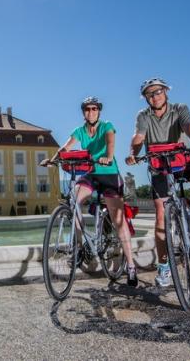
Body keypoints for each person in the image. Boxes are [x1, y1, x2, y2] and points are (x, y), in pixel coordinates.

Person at [125, 78, 190, 288]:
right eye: (149, 94)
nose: (154, 96)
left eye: (158, 91)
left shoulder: (179, 109)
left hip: (182, 159)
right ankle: (164, 266)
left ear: (166, 92)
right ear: (146, 98)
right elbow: (138, 137)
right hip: (159, 165)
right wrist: (133, 154)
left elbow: (189, 127)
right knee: (161, 215)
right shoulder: (143, 115)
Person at [41, 96, 138, 287]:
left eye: (94, 109)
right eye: (87, 109)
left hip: (109, 174)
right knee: (73, 201)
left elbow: (110, 142)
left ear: (99, 111)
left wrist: (108, 157)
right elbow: (66, 147)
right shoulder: (79, 131)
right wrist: (53, 160)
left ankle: (132, 267)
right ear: (83, 112)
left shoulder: (106, 126)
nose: (91, 112)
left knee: (118, 221)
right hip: (90, 173)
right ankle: (77, 248)